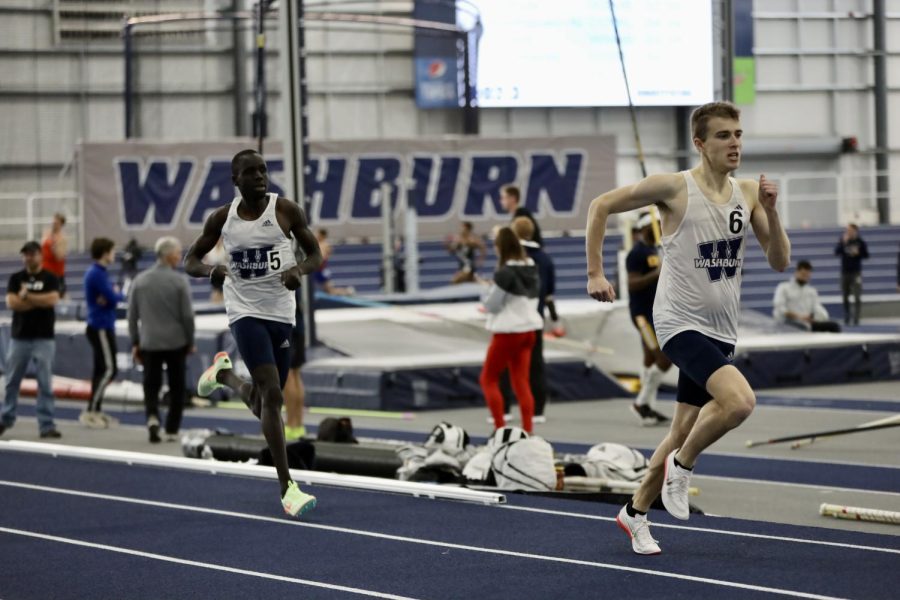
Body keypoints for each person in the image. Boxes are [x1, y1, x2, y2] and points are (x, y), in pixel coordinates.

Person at [586, 101, 790, 555]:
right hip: (678, 322)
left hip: (722, 327)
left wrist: (773, 212)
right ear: (700, 144)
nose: (734, 142)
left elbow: (779, 261)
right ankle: (682, 468)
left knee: (682, 427)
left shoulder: (749, 193)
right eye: (723, 135)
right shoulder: (673, 188)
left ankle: (635, 513)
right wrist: (596, 272)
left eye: (738, 134)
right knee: (739, 403)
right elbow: (600, 206)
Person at [184, 148, 322, 517]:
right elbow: (190, 260)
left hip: (281, 311)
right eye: (251, 172)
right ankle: (287, 487)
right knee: (273, 394)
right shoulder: (222, 219)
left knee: (264, 402)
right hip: (244, 311)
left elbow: (315, 255)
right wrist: (210, 272)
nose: (261, 176)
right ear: (236, 180)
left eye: (263, 170)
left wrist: (299, 271)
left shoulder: (286, 210)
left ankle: (226, 375)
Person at [128, 236, 195, 443]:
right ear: (168, 256)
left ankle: (152, 417)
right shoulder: (179, 282)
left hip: (150, 342)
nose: (180, 256)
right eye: (177, 253)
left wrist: (135, 342)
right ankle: (172, 428)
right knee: (177, 386)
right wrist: (190, 340)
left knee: (151, 385)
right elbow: (187, 316)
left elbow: (132, 315)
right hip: (176, 342)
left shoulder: (140, 280)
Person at [479, 227, 542, 434]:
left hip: (509, 332)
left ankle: (500, 429)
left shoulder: (505, 272)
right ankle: (528, 430)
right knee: (521, 381)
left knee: (488, 379)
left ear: (501, 247)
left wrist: (486, 296)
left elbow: (492, 305)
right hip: (529, 330)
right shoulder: (531, 266)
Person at [498, 216, 556, 424]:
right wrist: (554, 318)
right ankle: (537, 410)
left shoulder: (513, 257)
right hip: (534, 319)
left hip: (512, 321)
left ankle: (504, 409)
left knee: (504, 366)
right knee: (535, 365)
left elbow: (503, 288)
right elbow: (548, 293)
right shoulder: (545, 259)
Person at [1, 241, 62, 439]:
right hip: (20, 337)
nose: (29, 257)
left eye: (32, 254)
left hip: (44, 338)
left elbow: (52, 300)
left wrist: (27, 297)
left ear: (40, 255)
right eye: (26, 254)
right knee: (12, 381)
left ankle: (46, 424)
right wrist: (37, 302)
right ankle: (5, 418)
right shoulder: (16, 278)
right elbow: (12, 303)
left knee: (45, 382)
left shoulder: (50, 278)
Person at [625, 213, 672, 426]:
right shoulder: (636, 253)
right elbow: (632, 284)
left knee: (650, 359)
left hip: (655, 312)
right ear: (646, 229)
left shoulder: (655, 249)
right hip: (642, 316)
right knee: (664, 358)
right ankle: (641, 403)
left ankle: (648, 407)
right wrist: (658, 273)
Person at [82, 237, 125, 428]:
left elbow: (110, 297)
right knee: (109, 369)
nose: (114, 254)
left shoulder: (99, 273)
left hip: (103, 325)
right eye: (112, 251)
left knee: (100, 370)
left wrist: (112, 296)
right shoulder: (96, 274)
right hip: (100, 326)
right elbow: (114, 297)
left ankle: (96, 410)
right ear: (105, 252)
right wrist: (115, 294)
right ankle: (90, 410)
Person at [772, 260, 841, 332]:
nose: (805, 277)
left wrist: (819, 317)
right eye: (803, 274)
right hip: (788, 322)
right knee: (803, 327)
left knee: (834, 326)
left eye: (807, 275)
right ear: (797, 272)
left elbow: (817, 308)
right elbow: (780, 309)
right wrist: (799, 317)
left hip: (807, 322)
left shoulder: (811, 291)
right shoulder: (783, 288)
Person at [834, 223, 869, 326]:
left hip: (856, 272)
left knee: (857, 296)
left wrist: (858, 253)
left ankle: (856, 318)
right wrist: (843, 243)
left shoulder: (860, 242)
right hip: (845, 272)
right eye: (847, 229)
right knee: (845, 296)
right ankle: (847, 316)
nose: (848, 231)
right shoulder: (843, 240)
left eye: (850, 229)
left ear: (855, 230)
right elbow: (836, 252)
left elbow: (866, 255)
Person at [283, 289, 307, 440]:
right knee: (296, 374)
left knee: (288, 374)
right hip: (297, 321)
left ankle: (291, 424)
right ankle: (298, 425)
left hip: (287, 323)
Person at [313, 228, 354, 295]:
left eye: (318, 234)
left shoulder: (325, 245)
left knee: (329, 290)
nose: (316, 235)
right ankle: (347, 291)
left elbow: (324, 256)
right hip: (317, 269)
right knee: (325, 290)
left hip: (321, 269)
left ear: (322, 235)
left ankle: (347, 291)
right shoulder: (318, 243)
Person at [41, 213, 68, 298]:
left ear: (61, 224)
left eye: (56, 223)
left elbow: (59, 257)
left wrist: (54, 245)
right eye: (53, 222)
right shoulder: (46, 234)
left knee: (58, 298)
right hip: (44, 272)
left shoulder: (62, 239)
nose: (54, 224)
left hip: (56, 274)